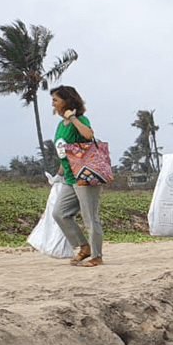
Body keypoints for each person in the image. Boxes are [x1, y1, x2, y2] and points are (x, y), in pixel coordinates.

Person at [46, 84, 105, 269]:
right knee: (60, 214)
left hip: (85, 177)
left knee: (90, 218)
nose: (53, 104)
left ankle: (97, 256)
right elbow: (64, 151)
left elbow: (89, 135)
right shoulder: (60, 125)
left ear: (67, 101)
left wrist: (73, 118)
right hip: (69, 178)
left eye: (56, 100)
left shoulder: (80, 119)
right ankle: (84, 246)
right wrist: (58, 174)